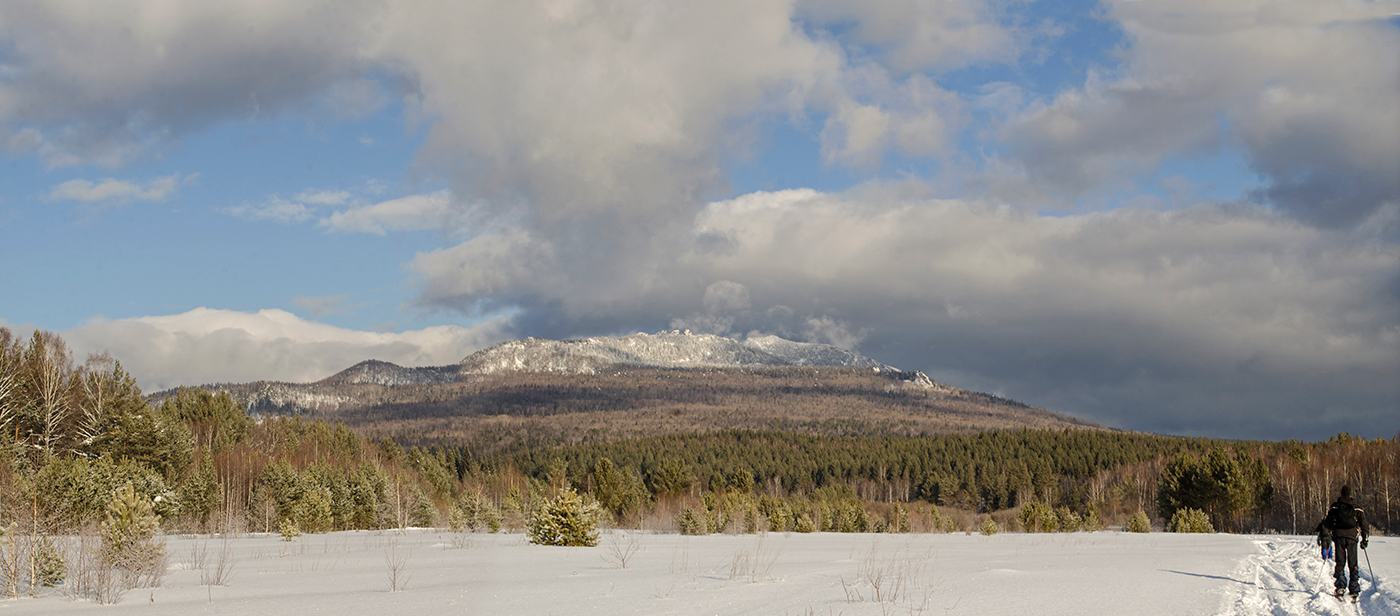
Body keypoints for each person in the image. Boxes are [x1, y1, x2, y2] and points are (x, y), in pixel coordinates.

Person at [1317, 485, 1369, 599]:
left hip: (1339, 536)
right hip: (1352, 537)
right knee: (1353, 561)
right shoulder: (1356, 508)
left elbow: (1328, 524)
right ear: (1350, 495)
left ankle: (1340, 585)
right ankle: (1354, 586)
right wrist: (1365, 539)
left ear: (1341, 494)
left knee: (1340, 561)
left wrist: (1326, 531)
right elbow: (1364, 524)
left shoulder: (1335, 508)